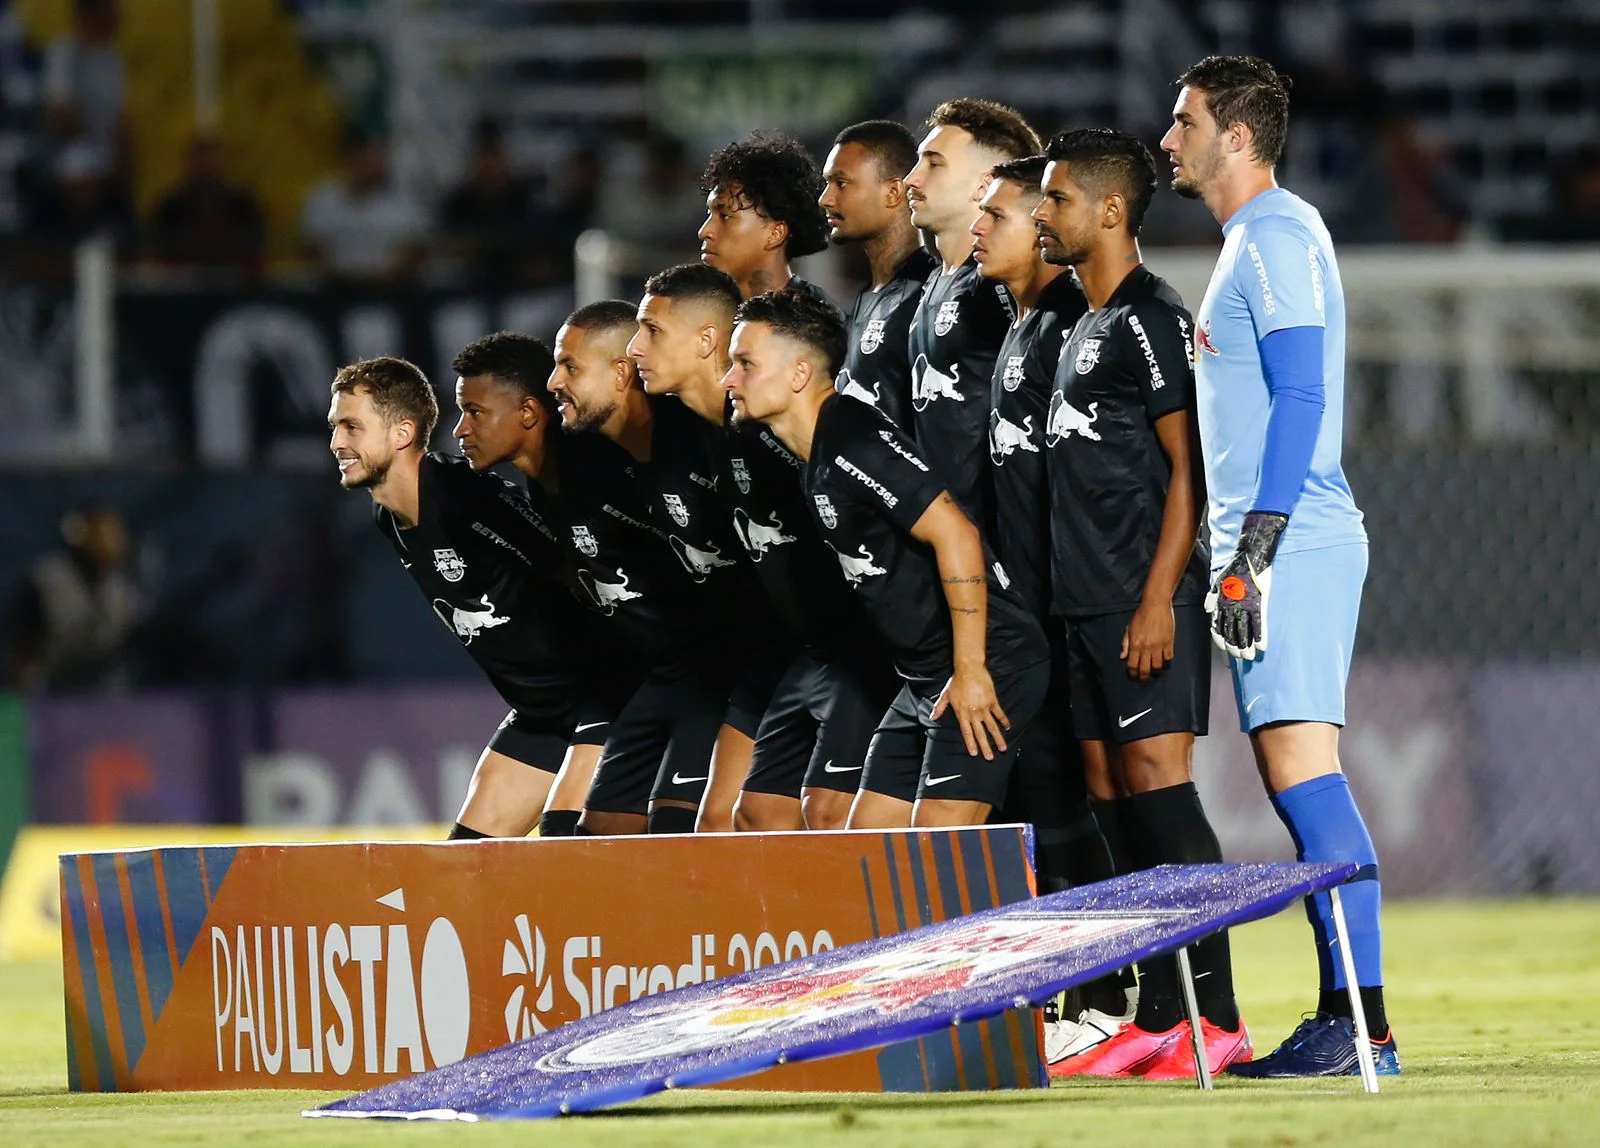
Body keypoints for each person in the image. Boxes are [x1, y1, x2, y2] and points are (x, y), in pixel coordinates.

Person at [1160, 55, 1397, 1076]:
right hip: (1271, 542)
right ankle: (1353, 1019)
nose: (1167, 138)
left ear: (1236, 137)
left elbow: (1301, 398)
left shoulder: (1276, 235)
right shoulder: (1250, 241)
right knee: (1294, 778)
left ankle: (1362, 1026)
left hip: (1288, 540)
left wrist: (1252, 550)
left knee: (1306, 782)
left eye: (1184, 121)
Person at [1035, 127, 1247, 1079]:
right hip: (1081, 603)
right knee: (1117, 801)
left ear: (1110, 209)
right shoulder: (1078, 323)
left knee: (1161, 794)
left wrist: (1162, 597)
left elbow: (1186, 471)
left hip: (1137, 597)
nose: (1045, 214)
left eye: (1057, 198)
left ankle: (1223, 1017)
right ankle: (1159, 1010)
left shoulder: (1154, 318)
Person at [723, 287, 1049, 830]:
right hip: (923, 678)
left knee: (933, 862)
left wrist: (971, 670)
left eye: (745, 364)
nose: (729, 380)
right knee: (866, 853)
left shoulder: (851, 435)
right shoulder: (815, 453)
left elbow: (958, 536)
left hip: (989, 661)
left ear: (800, 373)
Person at [970, 153, 1128, 1059]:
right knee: (1043, 796)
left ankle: (1110, 992)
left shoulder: (1076, 321)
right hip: (1025, 603)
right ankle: (1079, 993)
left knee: (1074, 799)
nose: (980, 230)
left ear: (1044, 224)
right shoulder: (1024, 325)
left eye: (999, 214)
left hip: (1070, 604)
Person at [327, 356, 619, 840]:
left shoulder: (464, 496)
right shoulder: (390, 517)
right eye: (336, 427)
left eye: (351, 427)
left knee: (567, 848)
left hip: (602, 700)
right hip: (541, 714)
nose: (337, 443)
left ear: (402, 433)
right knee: (465, 870)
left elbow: (576, 567)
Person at [547, 294, 746, 836]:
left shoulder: (702, 438)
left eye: (569, 366)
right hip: (682, 669)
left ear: (619, 375)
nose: (553, 383)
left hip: (743, 670)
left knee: (684, 833)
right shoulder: (605, 464)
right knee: (593, 830)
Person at [902, 99, 1039, 525]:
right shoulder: (932, 284)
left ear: (984, 185)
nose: (911, 178)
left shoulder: (1000, 290)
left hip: (1002, 551)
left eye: (933, 164)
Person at [819, 119, 936, 432]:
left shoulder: (931, 295)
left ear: (894, 192)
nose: (825, 199)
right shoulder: (867, 297)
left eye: (841, 183)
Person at [698, 131, 831, 301]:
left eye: (724, 216)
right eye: (710, 214)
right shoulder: (705, 314)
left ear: (774, 234)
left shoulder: (817, 322)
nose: (704, 231)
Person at [301, 128, 427, 284]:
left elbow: (416, 250)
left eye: (380, 158)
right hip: (334, 289)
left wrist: (393, 274)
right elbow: (312, 249)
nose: (378, 165)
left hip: (391, 289)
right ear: (351, 159)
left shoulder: (401, 203)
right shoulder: (323, 200)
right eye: (370, 158)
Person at [147, 136, 265, 273]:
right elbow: (159, 256)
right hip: (182, 288)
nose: (207, 167)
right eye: (201, 160)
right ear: (188, 164)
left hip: (236, 289)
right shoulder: (170, 208)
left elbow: (254, 253)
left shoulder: (244, 207)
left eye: (212, 160)